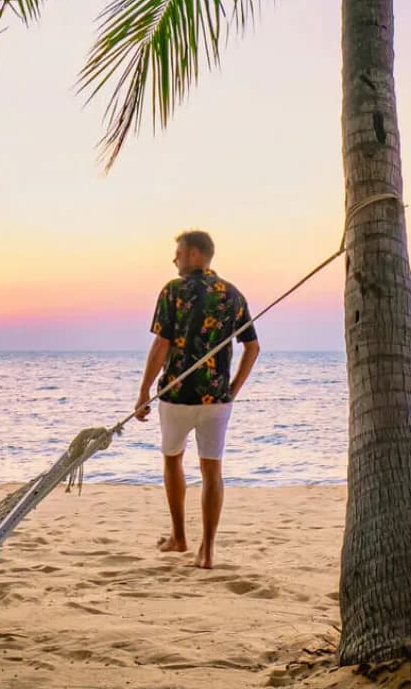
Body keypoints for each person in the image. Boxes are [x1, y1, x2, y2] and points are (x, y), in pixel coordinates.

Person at [134, 230, 260, 569]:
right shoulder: (232, 294)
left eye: (178, 253)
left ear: (193, 254)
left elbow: (161, 345)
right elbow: (253, 347)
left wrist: (144, 391)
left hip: (176, 395)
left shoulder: (173, 290)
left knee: (173, 460)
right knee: (211, 470)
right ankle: (207, 551)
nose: (174, 259)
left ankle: (179, 538)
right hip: (216, 399)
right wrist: (233, 389)